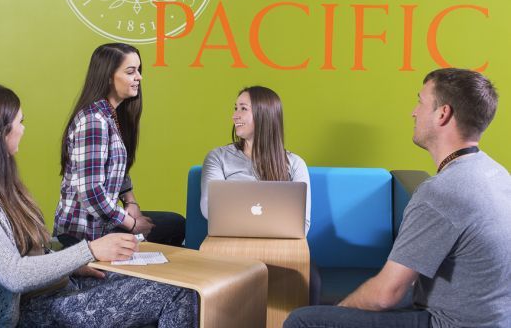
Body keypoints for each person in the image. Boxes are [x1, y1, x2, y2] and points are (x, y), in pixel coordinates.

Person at [0, 84, 198, 327]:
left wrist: (74, 266)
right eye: (19, 122)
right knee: (177, 294)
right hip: (35, 312)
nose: (23, 129)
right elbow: (13, 273)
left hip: (58, 291)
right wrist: (90, 250)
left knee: (168, 282)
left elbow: (31, 252)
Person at [284, 68, 511, 328]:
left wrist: (337, 315)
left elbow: (385, 295)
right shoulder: (497, 173)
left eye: (420, 102)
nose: (413, 112)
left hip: (449, 323)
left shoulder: (442, 192)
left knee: (303, 321)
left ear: (443, 114)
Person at [54, 43, 185, 247]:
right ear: (108, 77)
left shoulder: (111, 115)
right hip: (83, 234)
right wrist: (132, 224)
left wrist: (130, 202)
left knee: (175, 224)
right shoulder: (94, 121)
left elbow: (117, 169)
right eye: (130, 71)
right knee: (174, 227)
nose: (139, 77)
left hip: (103, 225)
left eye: (139, 70)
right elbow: (91, 193)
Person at [201, 86, 319, 302]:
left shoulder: (294, 163)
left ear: (264, 115)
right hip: (229, 248)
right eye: (235, 108)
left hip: (281, 251)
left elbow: (304, 224)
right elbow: (210, 208)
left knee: (311, 282)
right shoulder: (218, 157)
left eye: (243, 109)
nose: (234, 115)